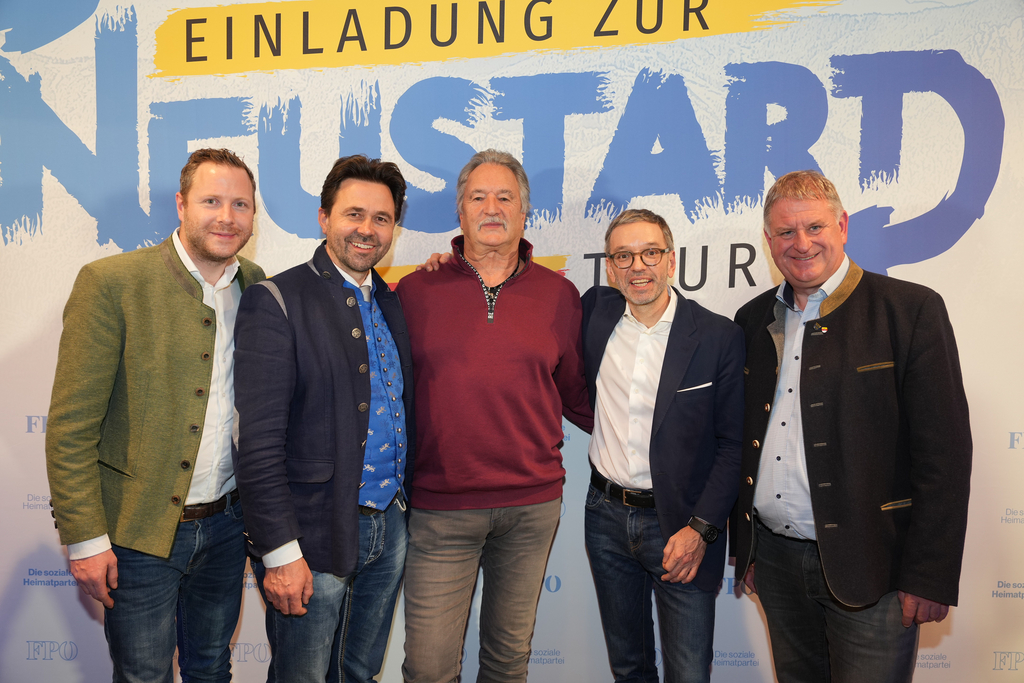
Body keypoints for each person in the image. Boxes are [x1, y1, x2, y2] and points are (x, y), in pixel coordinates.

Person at [731, 170, 972, 682]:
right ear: (769, 241)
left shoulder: (909, 310)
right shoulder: (751, 320)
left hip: (874, 569)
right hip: (775, 562)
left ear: (842, 226)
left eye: (814, 227)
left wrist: (929, 575)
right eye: (786, 232)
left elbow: (945, 456)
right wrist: (745, 546)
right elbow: (741, 440)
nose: (802, 243)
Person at [45, 148, 264, 681]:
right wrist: (86, 538)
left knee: (212, 669)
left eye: (240, 204)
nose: (227, 217)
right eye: (211, 201)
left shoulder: (256, 284)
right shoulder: (112, 283)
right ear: (181, 204)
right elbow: (71, 427)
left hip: (227, 527)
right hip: (136, 534)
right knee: (143, 674)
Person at [395, 149, 592, 683]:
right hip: (440, 508)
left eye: (505, 197)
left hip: (531, 508)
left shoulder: (560, 294)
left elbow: (576, 394)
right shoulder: (414, 291)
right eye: (478, 197)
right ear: (460, 211)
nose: (491, 208)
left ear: (524, 212)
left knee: (508, 663)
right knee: (429, 669)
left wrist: (653, 439)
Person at [232, 155, 415, 683]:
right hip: (311, 538)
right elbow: (257, 442)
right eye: (354, 214)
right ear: (324, 218)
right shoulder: (277, 299)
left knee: (359, 673)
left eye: (382, 218)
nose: (367, 229)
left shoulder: (390, 301)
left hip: (389, 526)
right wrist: (278, 550)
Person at [581, 209, 744, 683]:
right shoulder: (593, 312)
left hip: (681, 525)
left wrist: (702, 529)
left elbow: (734, 445)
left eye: (650, 253)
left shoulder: (718, 336)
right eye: (624, 256)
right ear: (610, 268)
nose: (638, 266)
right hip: (605, 518)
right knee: (628, 667)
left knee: (688, 672)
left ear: (671, 261)